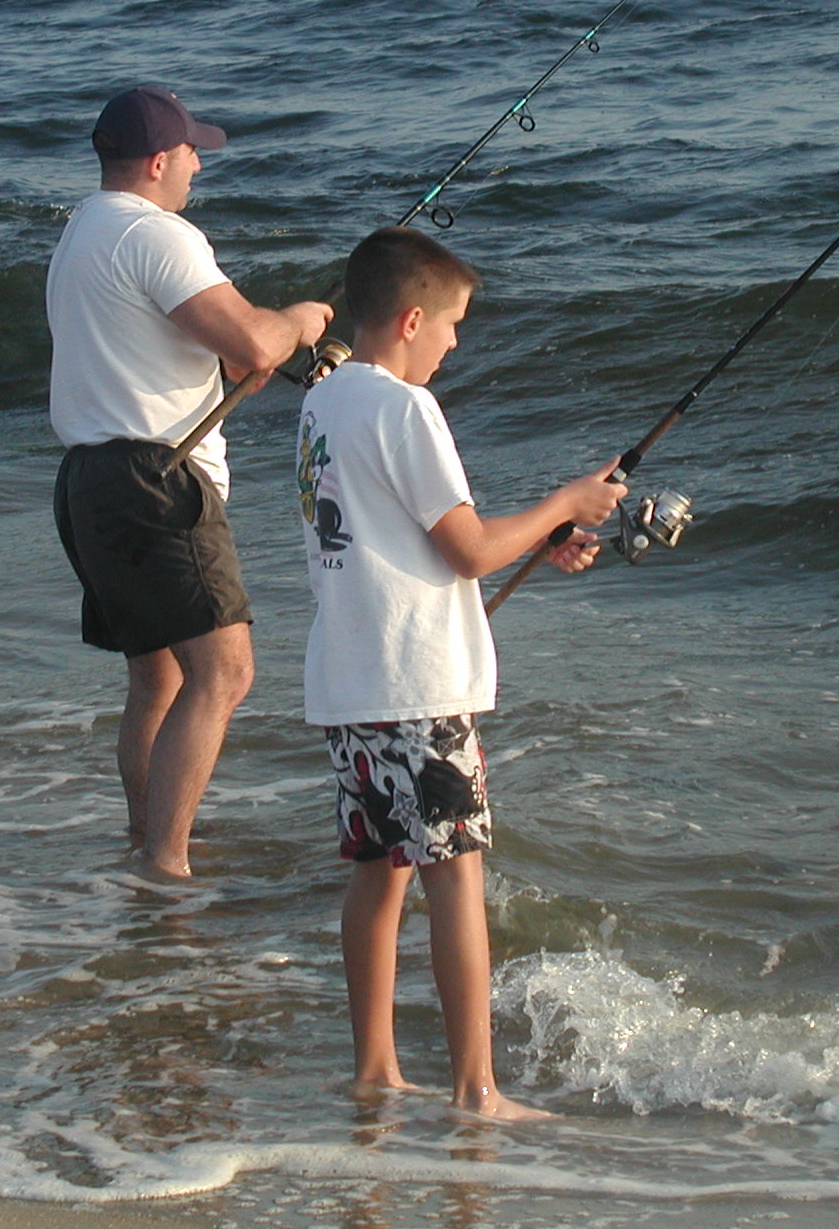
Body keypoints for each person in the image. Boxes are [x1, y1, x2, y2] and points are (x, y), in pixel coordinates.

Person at [295, 225, 625, 1119]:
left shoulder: (324, 404)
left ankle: (375, 1071)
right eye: (451, 325)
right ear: (409, 319)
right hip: (418, 689)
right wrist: (565, 501)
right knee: (456, 879)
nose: (455, 342)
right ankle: (477, 1090)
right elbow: (470, 549)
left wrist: (541, 540)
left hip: (352, 683)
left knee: (377, 872)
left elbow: (407, 536)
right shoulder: (407, 411)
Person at [49, 84, 332, 880]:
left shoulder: (80, 234)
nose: (199, 165)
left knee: (159, 675)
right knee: (226, 671)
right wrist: (303, 320)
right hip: (155, 480)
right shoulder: (158, 235)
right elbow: (255, 340)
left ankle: (147, 843)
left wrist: (253, 358)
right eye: (192, 151)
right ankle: (166, 867)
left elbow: (224, 360)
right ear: (157, 160)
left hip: (88, 480)